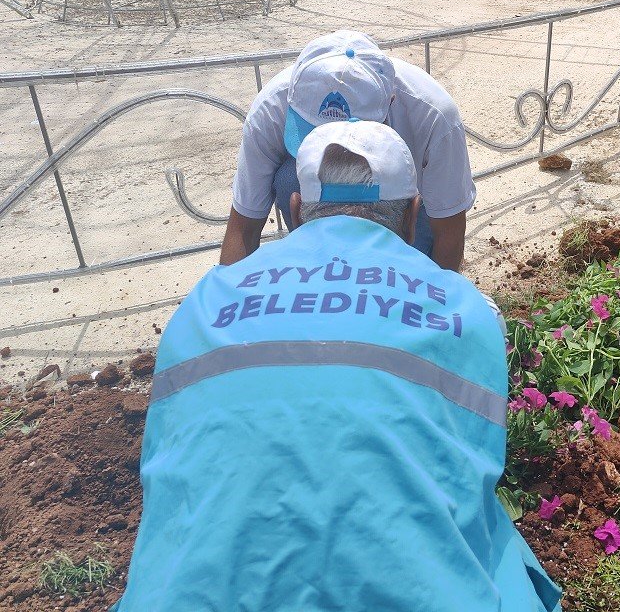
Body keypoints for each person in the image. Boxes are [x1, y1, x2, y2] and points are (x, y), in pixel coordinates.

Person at [113, 120, 563, 612]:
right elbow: (468, 470)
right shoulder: (468, 312)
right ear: (413, 217)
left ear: (295, 210)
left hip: (186, 597)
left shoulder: (204, 303)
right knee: (497, 548)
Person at [220, 30, 475, 272]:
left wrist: (433, 303)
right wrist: (226, 303)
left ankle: (396, 270)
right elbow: (244, 226)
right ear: (293, 99)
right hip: (333, 207)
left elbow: (448, 232)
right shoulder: (271, 109)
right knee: (290, 178)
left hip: (402, 213)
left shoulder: (435, 116)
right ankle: (317, 268)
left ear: (391, 103)